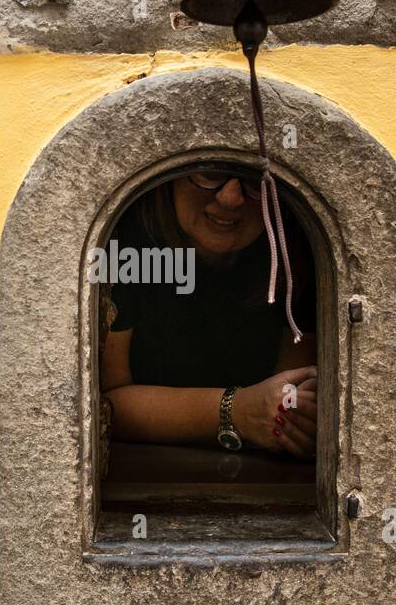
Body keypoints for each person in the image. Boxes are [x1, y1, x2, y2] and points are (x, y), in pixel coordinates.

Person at [101, 167, 318, 459]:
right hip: (142, 474)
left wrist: (285, 415)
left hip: (265, 481)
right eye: (210, 173)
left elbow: (291, 406)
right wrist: (237, 411)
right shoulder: (128, 245)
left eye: (254, 181)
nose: (231, 198)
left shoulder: (300, 254)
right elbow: (106, 403)